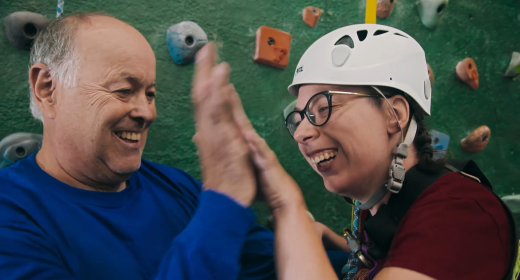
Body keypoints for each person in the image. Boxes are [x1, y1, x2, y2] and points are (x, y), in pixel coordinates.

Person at [0, 13, 349, 279]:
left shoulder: (175, 186)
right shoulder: (11, 217)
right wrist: (225, 198)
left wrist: (373, 262)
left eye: (150, 94)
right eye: (123, 90)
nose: (145, 112)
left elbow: (270, 265)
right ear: (47, 88)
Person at [191, 24, 515, 280]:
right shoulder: (381, 196)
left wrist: (286, 205)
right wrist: (326, 237)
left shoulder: (461, 214)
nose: (302, 132)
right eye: (299, 117)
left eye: (322, 107)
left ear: (394, 114)